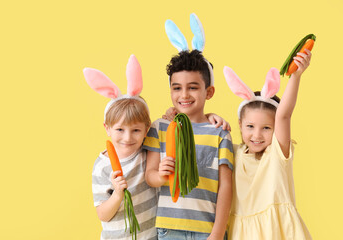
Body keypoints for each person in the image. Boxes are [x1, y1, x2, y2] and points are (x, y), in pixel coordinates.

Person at [144, 48, 233, 240]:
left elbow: (225, 186)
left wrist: (217, 233)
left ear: (209, 92)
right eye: (177, 88)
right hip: (169, 229)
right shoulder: (160, 127)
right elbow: (150, 176)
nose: (184, 95)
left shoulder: (220, 132)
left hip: (208, 230)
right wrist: (161, 175)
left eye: (192, 87)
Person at [223, 50, 313, 240]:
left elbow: (284, 114)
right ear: (239, 124)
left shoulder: (277, 154)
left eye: (266, 128)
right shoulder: (233, 153)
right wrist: (209, 117)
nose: (257, 135)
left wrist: (296, 76)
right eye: (250, 126)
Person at [84, 55, 158, 240]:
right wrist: (117, 194)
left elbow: (166, 125)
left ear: (146, 129)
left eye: (135, 130)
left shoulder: (148, 153)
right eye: (119, 129)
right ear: (107, 129)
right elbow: (103, 214)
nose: (127, 137)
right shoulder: (102, 166)